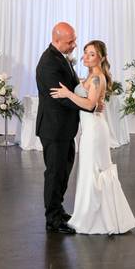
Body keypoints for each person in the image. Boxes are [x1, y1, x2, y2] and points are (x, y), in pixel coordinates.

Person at [50, 40, 135, 235]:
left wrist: (66, 93)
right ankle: (90, 214)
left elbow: (89, 105)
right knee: (90, 170)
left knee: (94, 170)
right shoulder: (91, 77)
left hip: (95, 131)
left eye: (92, 54)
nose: (86, 57)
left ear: (102, 58)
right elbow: (91, 98)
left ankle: (96, 219)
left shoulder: (98, 78)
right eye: (85, 53)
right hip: (90, 130)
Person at [35, 22, 96, 234]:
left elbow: (69, 87)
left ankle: (58, 210)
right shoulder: (48, 63)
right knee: (54, 173)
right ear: (57, 40)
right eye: (70, 42)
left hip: (64, 129)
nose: (74, 45)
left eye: (74, 40)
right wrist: (88, 105)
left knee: (63, 172)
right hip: (54, 129)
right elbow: (60, 97)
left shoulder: (60, 57)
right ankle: (52, 218)